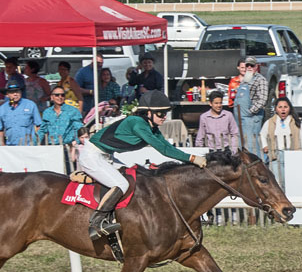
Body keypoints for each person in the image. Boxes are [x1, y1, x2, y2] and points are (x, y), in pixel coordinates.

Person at [80, 90, 208, 240]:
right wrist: (192, 158)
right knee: (122, 184)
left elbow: (169, 147)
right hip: (92, 155)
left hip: (106, 156)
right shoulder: (137, 124)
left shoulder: (151, 127)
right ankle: (97, 222)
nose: (164, 117)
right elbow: (164, 150)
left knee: (135, 180)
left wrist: (190, 159)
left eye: (165, 113)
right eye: (160, 113)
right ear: (148, 112)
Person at [261, 97, 302, 178]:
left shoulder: (297, 122)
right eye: (280, 107)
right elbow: (262, 134)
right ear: (276, 109)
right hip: (276, 154)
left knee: (292, 178)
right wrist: (265, 145)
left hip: (293, 153)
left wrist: (301, 149)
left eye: (285, 107)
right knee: (278, 179)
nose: (283, 110)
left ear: (289, 108)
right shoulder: (270, 122)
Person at [233, 56, 268, 159]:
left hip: (251, 119)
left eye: (251, 65)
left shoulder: (261, 80)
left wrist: (250, 112)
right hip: (240, 120)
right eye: (247, 65)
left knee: (252, 147)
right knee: (242, 146)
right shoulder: (246, 79)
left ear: (256, 67)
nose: (249, 67)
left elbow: (262, 99)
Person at [40, 85, 84, 165]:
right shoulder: (47, 112)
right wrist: (35, 144)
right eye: (57, 95)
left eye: (62, 95)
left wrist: (75, 145)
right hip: (52, 148)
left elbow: (79, 128)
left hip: (67, 147)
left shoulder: (73, 111)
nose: (60, 97)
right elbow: (42, 130)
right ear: (52, 97)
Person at [0, 79, 42, 146]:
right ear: (7, 95)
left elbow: (39, 125)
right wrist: (2, 146)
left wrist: (38, 142)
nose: (15, 94)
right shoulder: (2, 109)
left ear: (21, 92)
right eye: (12, 92)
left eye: (17, 91)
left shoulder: (30, 105)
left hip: (29, 145)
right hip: (11, 146)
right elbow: (0, 129)